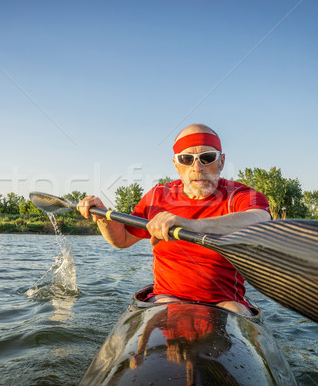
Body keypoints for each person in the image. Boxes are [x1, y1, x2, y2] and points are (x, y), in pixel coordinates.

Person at [77, 124, 271, 315]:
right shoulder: (157, 197)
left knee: (233, 309)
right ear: (176, 165)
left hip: (225, 302)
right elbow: (122, 239)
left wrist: (190, 224)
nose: (197, 167)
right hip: (167, 297)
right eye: (187, 159)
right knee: (167, 306)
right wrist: (101, 215)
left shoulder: (240, 195)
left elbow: (261, 220)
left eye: (207, 158)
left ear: (221, 161)